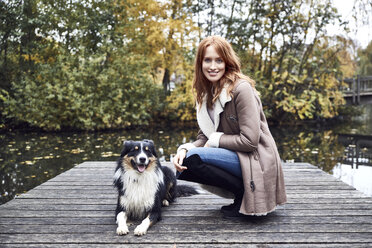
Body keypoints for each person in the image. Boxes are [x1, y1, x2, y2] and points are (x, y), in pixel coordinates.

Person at [173, 36, 287, 217]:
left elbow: (250, 141)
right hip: (235, 154)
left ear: (227, 61)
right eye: (207, 60)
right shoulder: (205, 94)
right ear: (200, 63)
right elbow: (204, 137)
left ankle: (244, 193)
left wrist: (215, 140)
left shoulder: (241, 89)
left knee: (194, 159)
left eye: (219, 60)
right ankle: (240, 195)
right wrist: (184, 149)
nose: (213, 66)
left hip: (256, 157)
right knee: (186, 161)